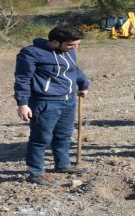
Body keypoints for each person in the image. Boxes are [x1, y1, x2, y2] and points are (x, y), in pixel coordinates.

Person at [14, 25, 90, 185]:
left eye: (77, 44)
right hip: (46, 102)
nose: (75, 47)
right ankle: (36, 173)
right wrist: (22, 103)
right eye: (71, 44)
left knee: (63, 136)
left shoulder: (69, 52)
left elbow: (74, 70)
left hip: (69, 100)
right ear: (55, 42)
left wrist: (83, 84)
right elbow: (23, 79)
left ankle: (62, 165)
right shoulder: (31, 54)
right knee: (40, 138)